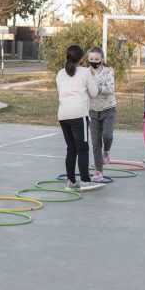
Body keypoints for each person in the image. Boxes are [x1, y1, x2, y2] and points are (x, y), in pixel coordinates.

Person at [55, 44, 103, 190]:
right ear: (82, 58)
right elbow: (94, 93)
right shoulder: (85, 72)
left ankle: (70, 181)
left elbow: (60, 93)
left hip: (63, 114)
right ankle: (85, 181)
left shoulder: (60, 73)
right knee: (82, 148)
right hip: (78, 114)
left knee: (71, 148)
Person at [86, 46, 116, 182]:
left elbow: (110, 89)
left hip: (108, 108)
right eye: (91, 59)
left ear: (102, 59)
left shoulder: (108, 71)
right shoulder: (86, 73)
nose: (94, 61)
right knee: (96, 142)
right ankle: (98, 171)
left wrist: (96, 88)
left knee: (107, 135)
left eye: (97, 59)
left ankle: (107, 151)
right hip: (92, 111)